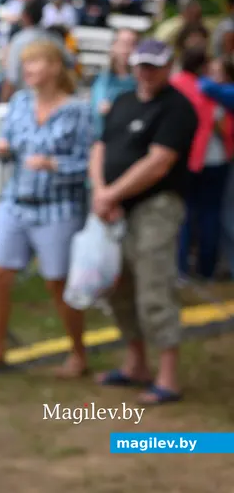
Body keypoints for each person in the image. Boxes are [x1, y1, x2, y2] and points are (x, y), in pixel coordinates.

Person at [0, 40, 93, 377]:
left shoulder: (78, 111)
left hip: (58, 208)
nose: (27, 69)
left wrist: (54, 165)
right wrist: (3, 150)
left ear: (55, 67)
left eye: (35, 62)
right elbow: (10, 148)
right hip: (15, 203)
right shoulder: (19, 102)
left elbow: (89, 163)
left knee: (58, 283)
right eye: (25, 63)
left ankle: (78, 353)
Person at [92, 39, 197, 405]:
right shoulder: (123, 101)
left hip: (156, 206)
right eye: (142, 65)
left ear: (168, 66)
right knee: (118, 287)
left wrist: (111, 193)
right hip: (116, 208)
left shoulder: (177, 108)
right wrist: (101, 191)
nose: (146, 72)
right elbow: (100, 147)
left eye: (154, 66)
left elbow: (159, 163)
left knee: (154, 285)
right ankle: (136, 363)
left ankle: (168, 377)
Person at [168, 46, 234, 279]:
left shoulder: (191, 86)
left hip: (197, 160)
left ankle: (185, 269)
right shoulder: (217, 92)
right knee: (208, 214)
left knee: (192, 214)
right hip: (214, 160)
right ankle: (205, 269)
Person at [88, 28, 139, 138]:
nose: (126, 50)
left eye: (132, 44)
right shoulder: (103, 80)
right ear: (113, 47)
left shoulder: (141, 81)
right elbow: (100, 109)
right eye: (123, 44)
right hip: (105, 136)